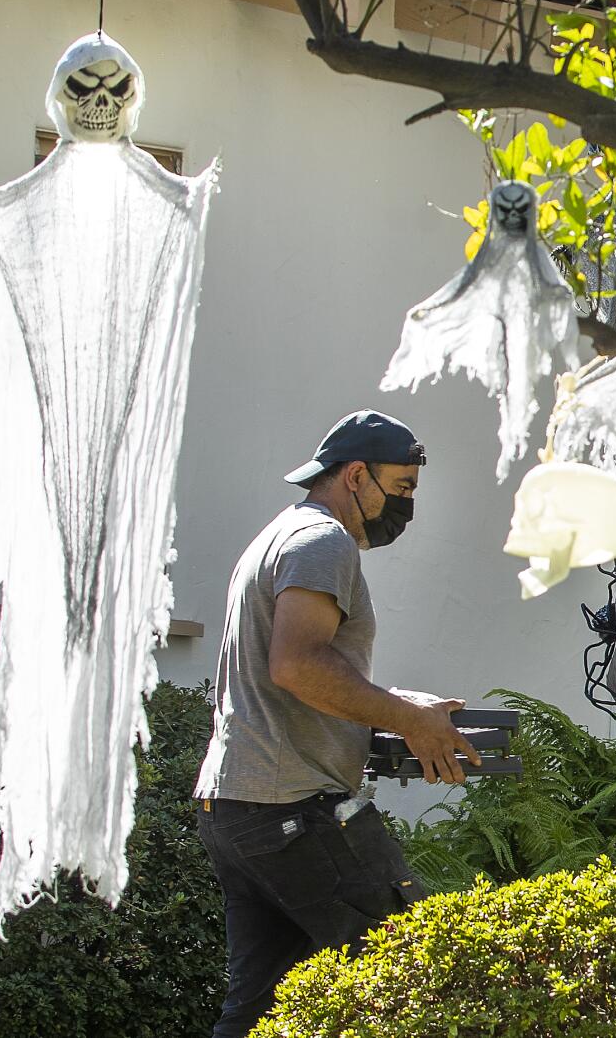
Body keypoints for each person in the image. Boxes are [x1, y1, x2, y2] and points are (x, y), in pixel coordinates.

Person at [193, 410, 481, 1038]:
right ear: (356, 476)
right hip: (291, 812)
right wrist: (407, 717)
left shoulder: (280, 535)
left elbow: (304, 674)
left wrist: (406, 709)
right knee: (424, 975)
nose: (406, 506)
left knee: (259, 1010)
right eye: (401, 488)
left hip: (239, 809)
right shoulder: (323, 542)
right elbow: (297, 665)